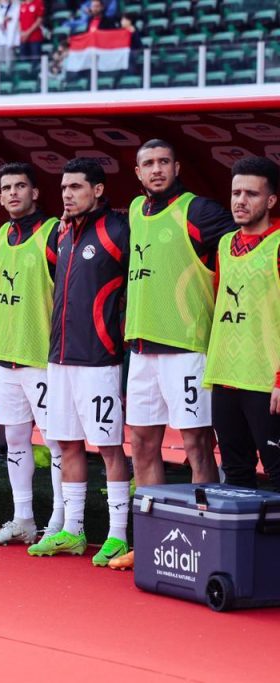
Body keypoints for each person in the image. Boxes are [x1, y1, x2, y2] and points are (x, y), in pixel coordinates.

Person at [112, 139, 233, 570]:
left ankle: (203, 542)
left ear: (177, 166)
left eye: (164, 162)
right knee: (142, 445)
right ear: (138, 172)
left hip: (187, 350)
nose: (157, 169)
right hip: (141, 351)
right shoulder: (133, 213)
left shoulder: (200, 211)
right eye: (149, 164)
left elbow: (243, 243)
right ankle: (151, 541)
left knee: (198, 445)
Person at [26, 157, 130, 567]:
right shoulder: (61, 233)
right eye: (64, 187)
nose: (67, 194)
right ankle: (73, 531)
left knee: (107, 447)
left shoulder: (119, 229)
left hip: (98, 359)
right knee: (66, 442)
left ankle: (118, 536)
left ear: (98, 190)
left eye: (76, 187)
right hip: (59, 360)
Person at [0, 163, 64, 546]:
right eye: (6, 188)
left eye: (20, 186)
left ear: (35, 192)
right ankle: (23, 518)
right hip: (7, 357)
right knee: (15, 440)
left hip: (43, 357)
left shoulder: (53, 233)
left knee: (57, 442)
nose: (13, 193)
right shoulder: (1, 234)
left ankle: (61, 520)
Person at [204, 157, 280, 491]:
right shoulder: (223, 244)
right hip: (225, 377)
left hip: (267, 381)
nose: (240, 200)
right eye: (236, 192)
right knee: (235, 474)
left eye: (251, 193)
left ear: (271, 200)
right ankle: (244, 546)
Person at [0, 0, 20, 68]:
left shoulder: (16, 9)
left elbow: (17, 26)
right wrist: (2, 20)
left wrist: (15, 41)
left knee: (10, 65)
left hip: (10, 41)